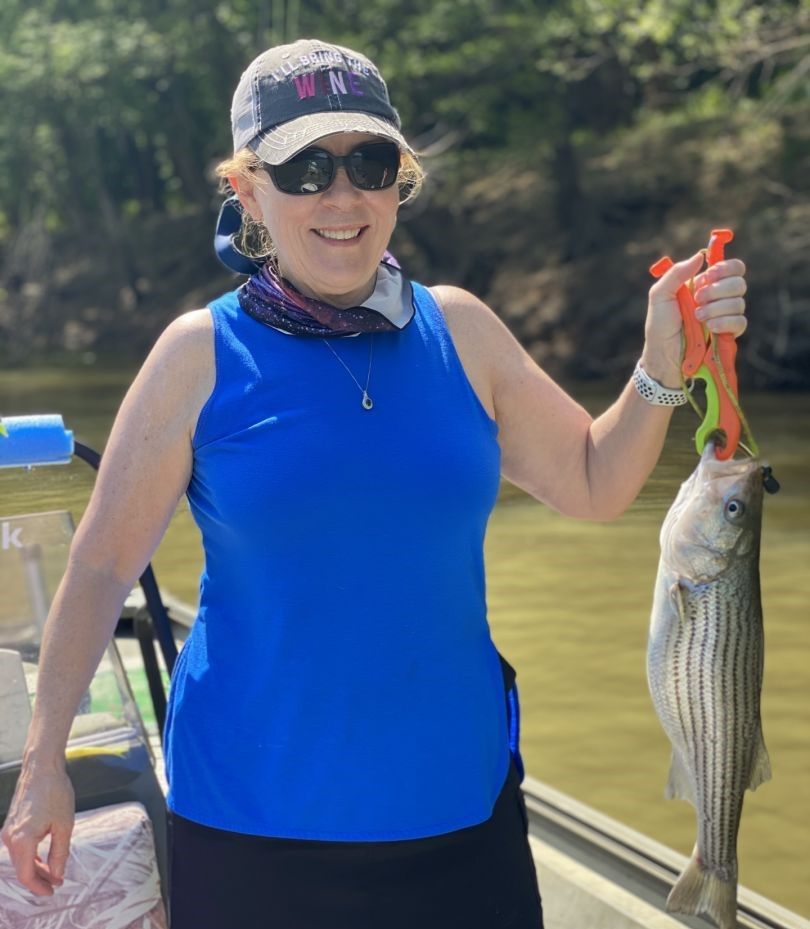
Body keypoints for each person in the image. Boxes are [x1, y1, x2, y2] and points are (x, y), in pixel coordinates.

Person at [1, 38, 748, 929]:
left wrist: (661, 367)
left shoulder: (462, 330)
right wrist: (44, 761)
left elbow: (592, 479)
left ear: (401, 177)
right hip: (253, 826)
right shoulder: (198, 354)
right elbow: (97, 567)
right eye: (304, 167)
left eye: (370, 161)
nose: (343, 195)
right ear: (247, 191)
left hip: (460, 810)